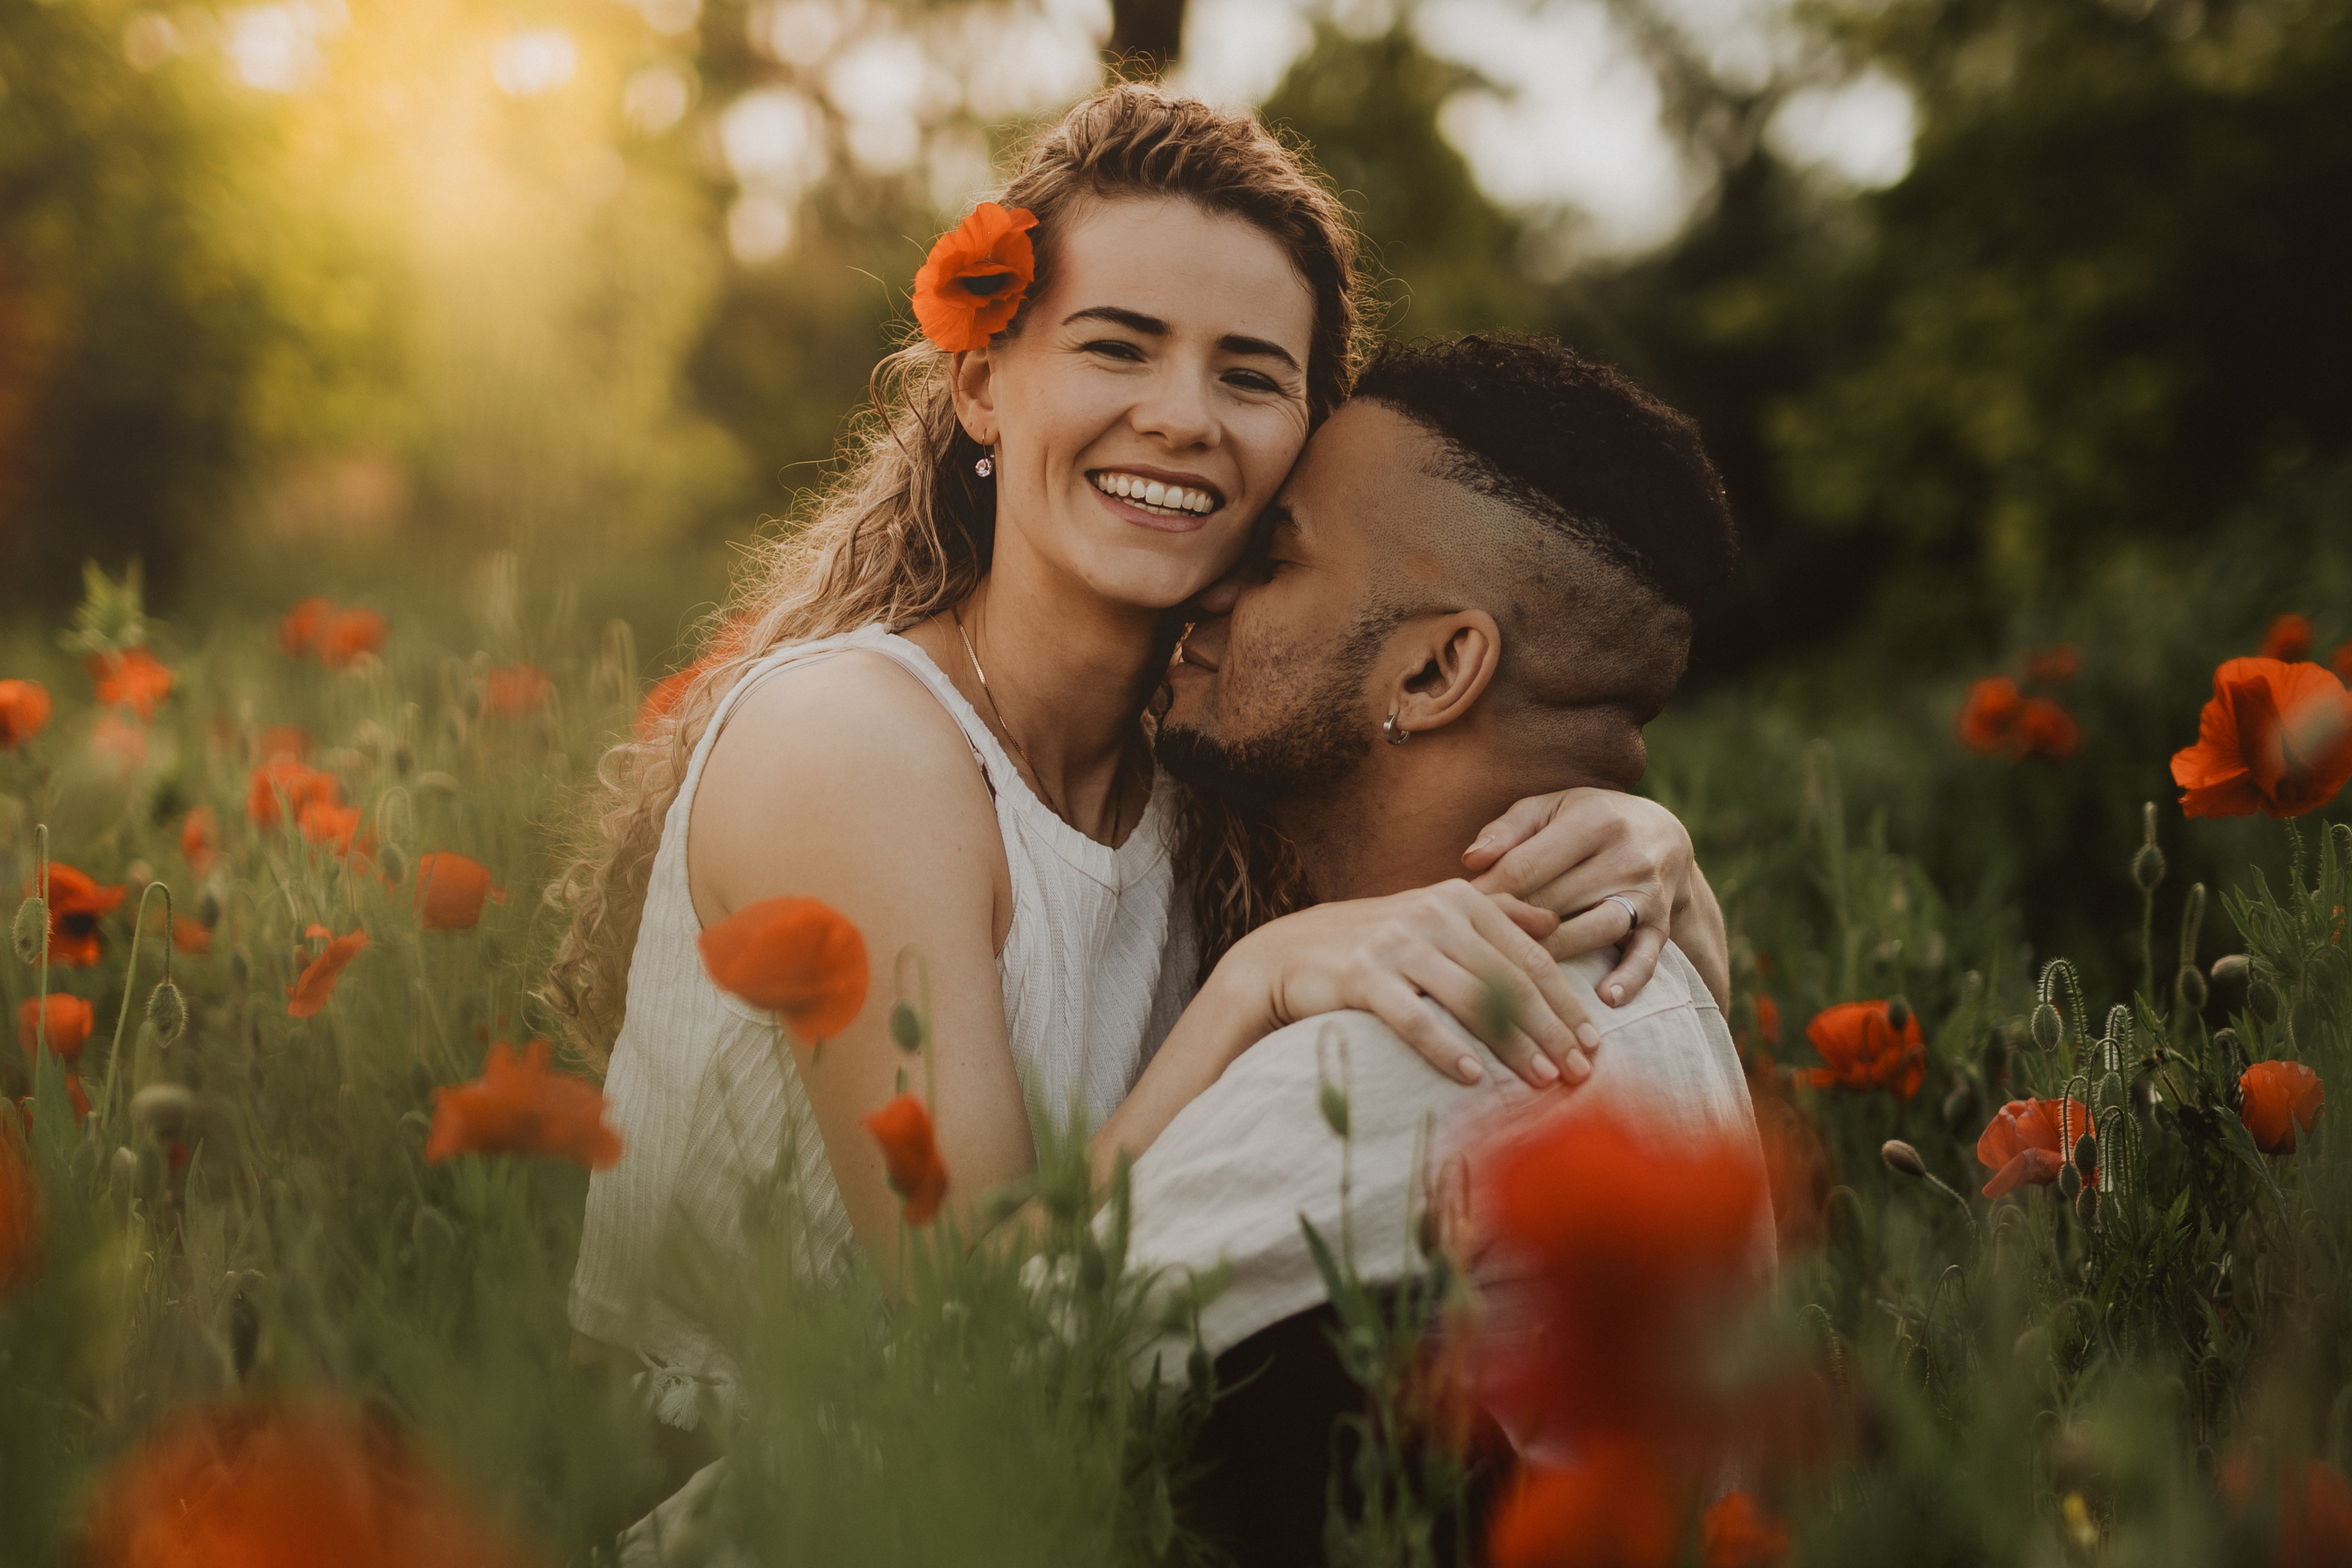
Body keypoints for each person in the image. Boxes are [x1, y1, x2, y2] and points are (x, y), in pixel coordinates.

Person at [547, 87, 1725, 1438]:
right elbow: (969, 1333)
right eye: (1119, 348)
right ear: (984, 385)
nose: (1181, 417)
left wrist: (1650, 856)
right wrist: (1251, 989)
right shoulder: (858, 745)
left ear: (1306, 439)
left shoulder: (1215, 780)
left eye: (1248, 374)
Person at [1124, 334, 1773, 1565]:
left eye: (1275, 556)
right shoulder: (1640, 972)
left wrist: (1241, 996)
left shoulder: (1428, 1044)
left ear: (1434, 670)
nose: (1204, 587)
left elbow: (975, 1358)